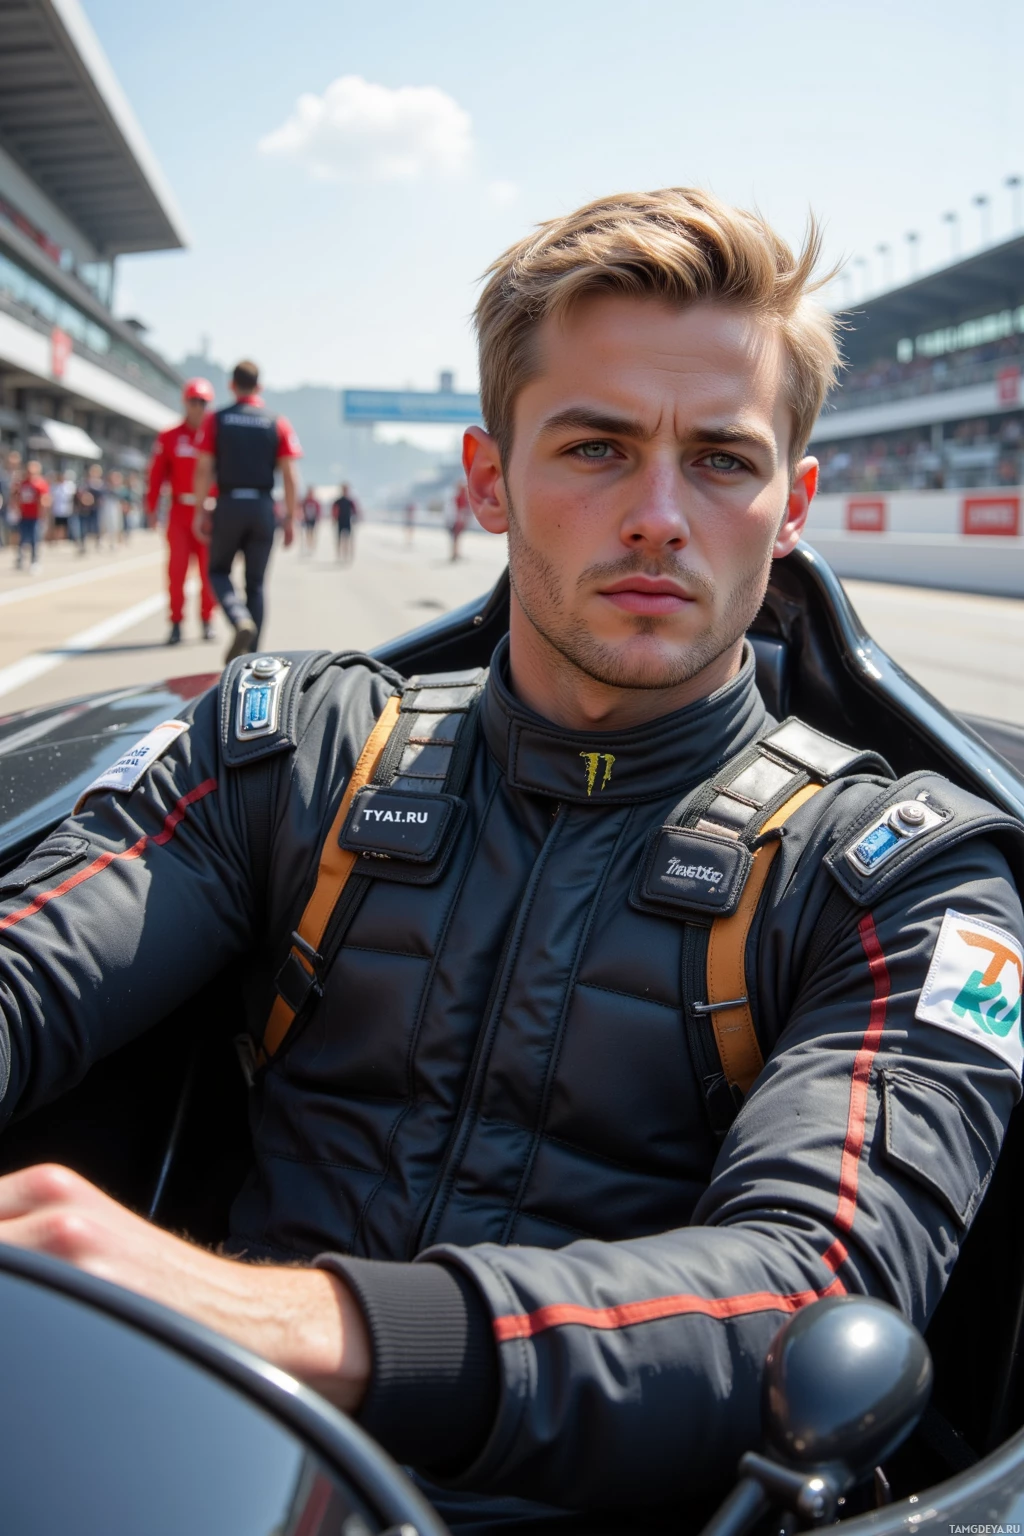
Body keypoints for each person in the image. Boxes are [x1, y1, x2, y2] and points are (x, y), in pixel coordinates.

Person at [0, 189, 1020, 1531]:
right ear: (488, 480)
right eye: (597, 448)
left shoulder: (906, 879)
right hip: (198, 1475)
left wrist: (291, 1320)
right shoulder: (290, 750)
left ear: (793, 506)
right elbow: (26, 970)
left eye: (722, 459)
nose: (659, 515)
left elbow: (813, 1298)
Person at [192, 360, 301, 662]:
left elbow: (203, 469)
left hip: (229, 504)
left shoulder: (217, 420)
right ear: (259, 387)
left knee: (217, 570)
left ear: (231, 385)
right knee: (256, 583)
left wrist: (200, 509)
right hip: (263, 507)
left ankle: (239, 618)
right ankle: (252, 659)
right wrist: (290, 519)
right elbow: (290, 475)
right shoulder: (276, 422)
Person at [147, 379, 218, 646]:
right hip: (179, 512)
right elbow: (156, 474)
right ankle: (176, 622)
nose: (198, 407)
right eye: (193, 401)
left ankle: (207, 619)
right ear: (185, 402)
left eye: (203, 402)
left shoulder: (215, 436)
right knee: (177, 571)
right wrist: (152, 507)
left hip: (208, 512)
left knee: (209, 572)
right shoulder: (170, 436)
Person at [14, 459, 49, 572]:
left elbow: (45, 499)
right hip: (24, 515)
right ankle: (20, 559)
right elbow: (16, 496)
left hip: (35, 516)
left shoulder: (40, 483)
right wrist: (16, 509)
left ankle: (34, 560)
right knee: (22, 538)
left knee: (34, 538)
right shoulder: (22, 483)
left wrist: (43, 514)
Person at [73, 463, 103, 553]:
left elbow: (102, 497)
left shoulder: (99, 484)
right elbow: (78, 493)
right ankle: (83, 545)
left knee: (96, 526)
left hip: (95, 509)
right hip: (84, 509)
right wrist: (84, 498)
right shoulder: (85, 483)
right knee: (83, 527)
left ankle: (97, 542)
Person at [332, 481, 357, 562]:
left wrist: (355, 519)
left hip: (348, 521)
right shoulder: (338, 501)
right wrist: (334, 519)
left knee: (348, 539)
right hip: (340, 521)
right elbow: (334, 511)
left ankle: (347, 554)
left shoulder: (350, 501)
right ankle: (339, 555)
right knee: (339, 539)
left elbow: (355, 511)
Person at [49, 468, 76, 541]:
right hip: (57, 510)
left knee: (66, 525)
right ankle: (57, 539)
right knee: (57, 525)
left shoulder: (69, 486)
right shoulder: (54, 487)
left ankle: (65, 538)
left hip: (67, 509)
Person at [447, 477, 470, 561]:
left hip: (457, 520)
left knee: (456, 538)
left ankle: (455, 553)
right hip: (457, 520)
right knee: (456, 538)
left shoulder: (459, 496)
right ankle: (455, 553)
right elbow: (459, 510)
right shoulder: (459, 497)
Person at [299, 484, 321, 556]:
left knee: (312, 533)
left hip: (313, 519)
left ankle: (312, 546)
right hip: (306, 519)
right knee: (307, 533)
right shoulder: (305, 501)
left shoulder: (315, 501)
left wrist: (318, 517)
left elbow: (318, 510)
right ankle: (308, 546)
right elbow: (301, 509)